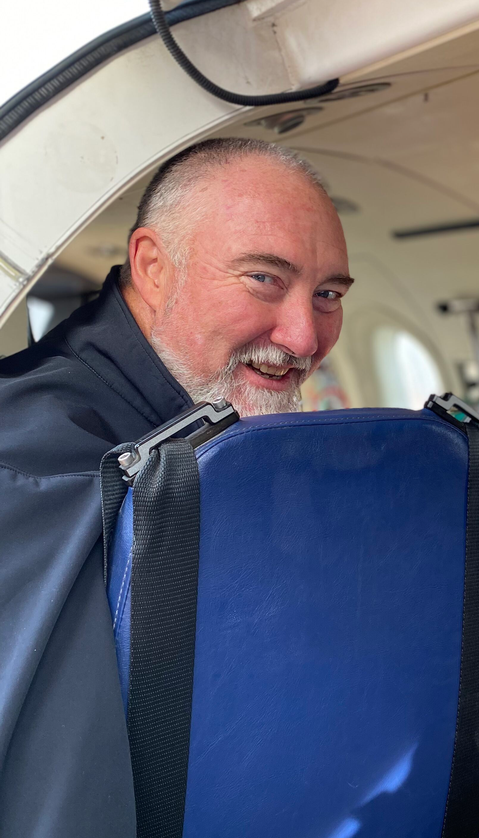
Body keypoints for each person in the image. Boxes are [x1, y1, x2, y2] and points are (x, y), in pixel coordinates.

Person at [0, 138, 352, 837]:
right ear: (154, 268)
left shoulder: (209, 426)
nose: (305, 335)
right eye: (264, 279)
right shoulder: (37, 465)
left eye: (329, 294)